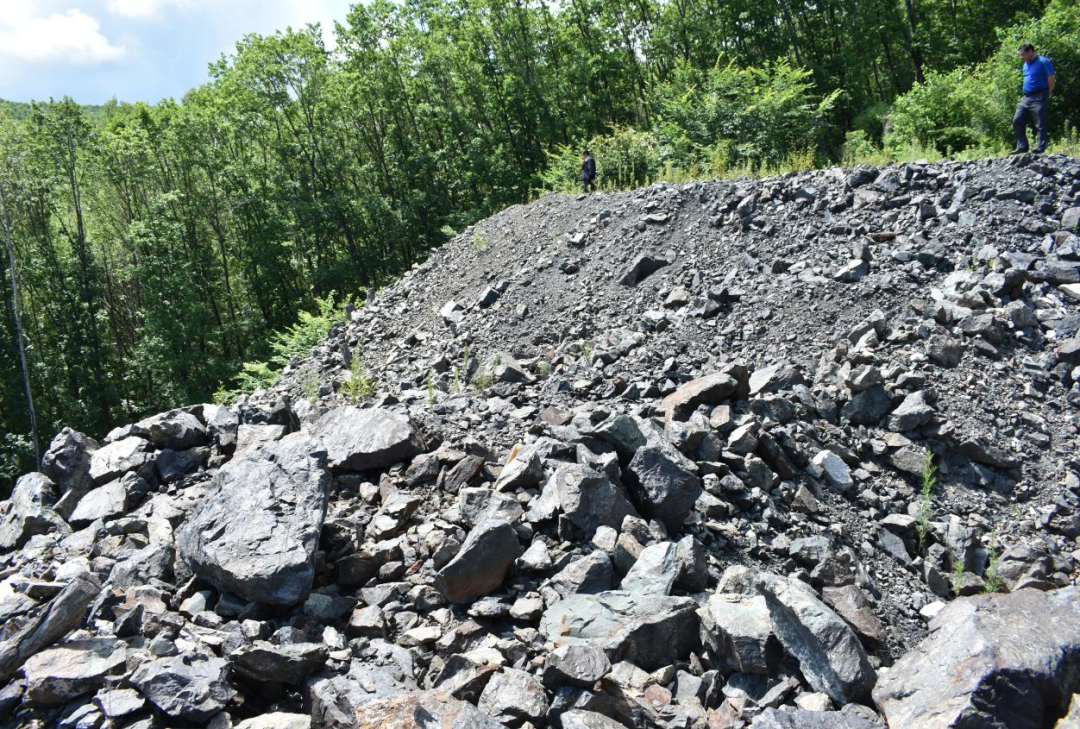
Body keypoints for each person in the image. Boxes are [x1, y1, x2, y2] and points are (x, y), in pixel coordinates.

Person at [1012, 43, 1056, 155]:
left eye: (1023, 55)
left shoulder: (1043, 62)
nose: (1021, 57)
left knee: (1040, 123)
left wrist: (1048, 93)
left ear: (1031, 52)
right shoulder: (1025, 64)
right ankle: (1022, 146)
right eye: (1020, 55)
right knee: (1017, 120)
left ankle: (1040, 147)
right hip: (1026, 97)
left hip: (1040, 95)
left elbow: (1051, 78)